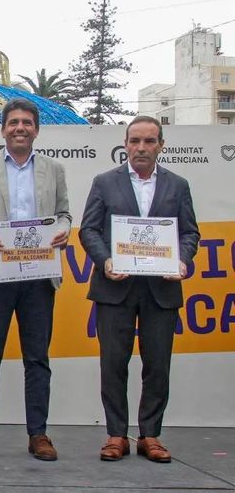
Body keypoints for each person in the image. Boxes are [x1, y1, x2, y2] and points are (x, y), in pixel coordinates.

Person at [79, 116, 199, 463]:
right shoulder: (104, 182)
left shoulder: (178, 185)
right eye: (135, 141)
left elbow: (189, 233)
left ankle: (151, 435)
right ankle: (116, 434)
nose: (141, 148)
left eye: (149, 141)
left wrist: (183, 261)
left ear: (161, 145)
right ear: (125, 143)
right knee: (113, 363)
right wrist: (105, 262)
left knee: (158, 365)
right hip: (114, 287)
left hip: (161, 290)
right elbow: (89, 231)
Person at [0, 98, 72, 461]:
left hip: (39, 277)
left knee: (37, 359)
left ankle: (38, 434)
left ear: (36, 130)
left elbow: (65, 214)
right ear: (3, 129)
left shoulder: (54, 169)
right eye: (13, 123)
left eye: (26, 122)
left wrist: (64, 230)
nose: (19, 128)